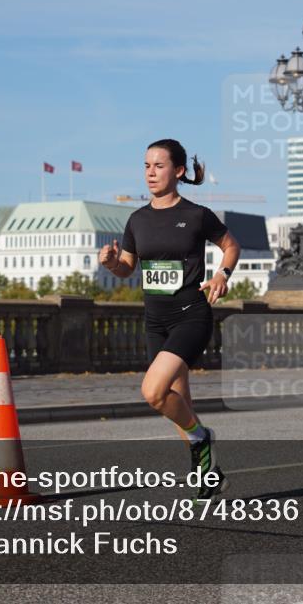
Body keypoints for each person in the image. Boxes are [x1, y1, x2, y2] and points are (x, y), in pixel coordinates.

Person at [100, 139, 241, 500]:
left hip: (191, 315)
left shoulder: (196, 215)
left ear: (178, 171)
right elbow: (127, 269)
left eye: (159, 166)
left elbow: (231, 245)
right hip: (155, 321)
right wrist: (111, 263)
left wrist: (223, 274)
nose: (150, 172)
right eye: (146, 165)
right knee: (176, 401)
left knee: (153, 392)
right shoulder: (137, 220)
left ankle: (201, 438)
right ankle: (210, 476)